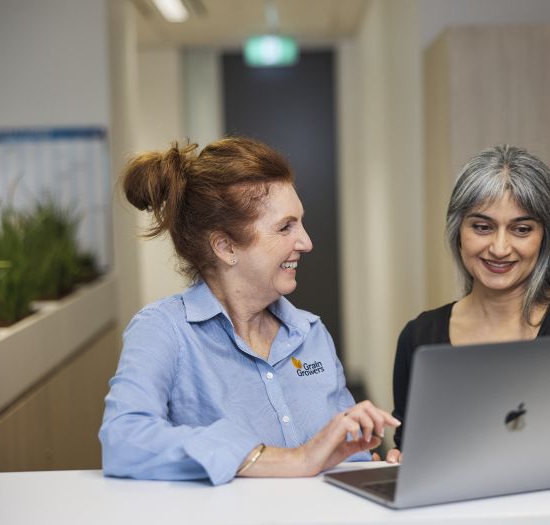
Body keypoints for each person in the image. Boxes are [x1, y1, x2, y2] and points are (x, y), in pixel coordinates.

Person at [99, 137, 399, 485]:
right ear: (225, 246)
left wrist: (372, 464)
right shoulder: (163, 330)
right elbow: (124, 439)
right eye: (285, 227)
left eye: (300, 223)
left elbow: (338, 454)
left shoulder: (311, 333)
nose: (306, 242)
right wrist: (286, 460)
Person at [386, 145, 550, 463]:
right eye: (482, 227)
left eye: (522, 229)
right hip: (460, 513)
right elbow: (408, 451)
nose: (500, 248)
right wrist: (399, 459)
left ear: (546, 237)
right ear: (457, 231)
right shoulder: (418, 337)